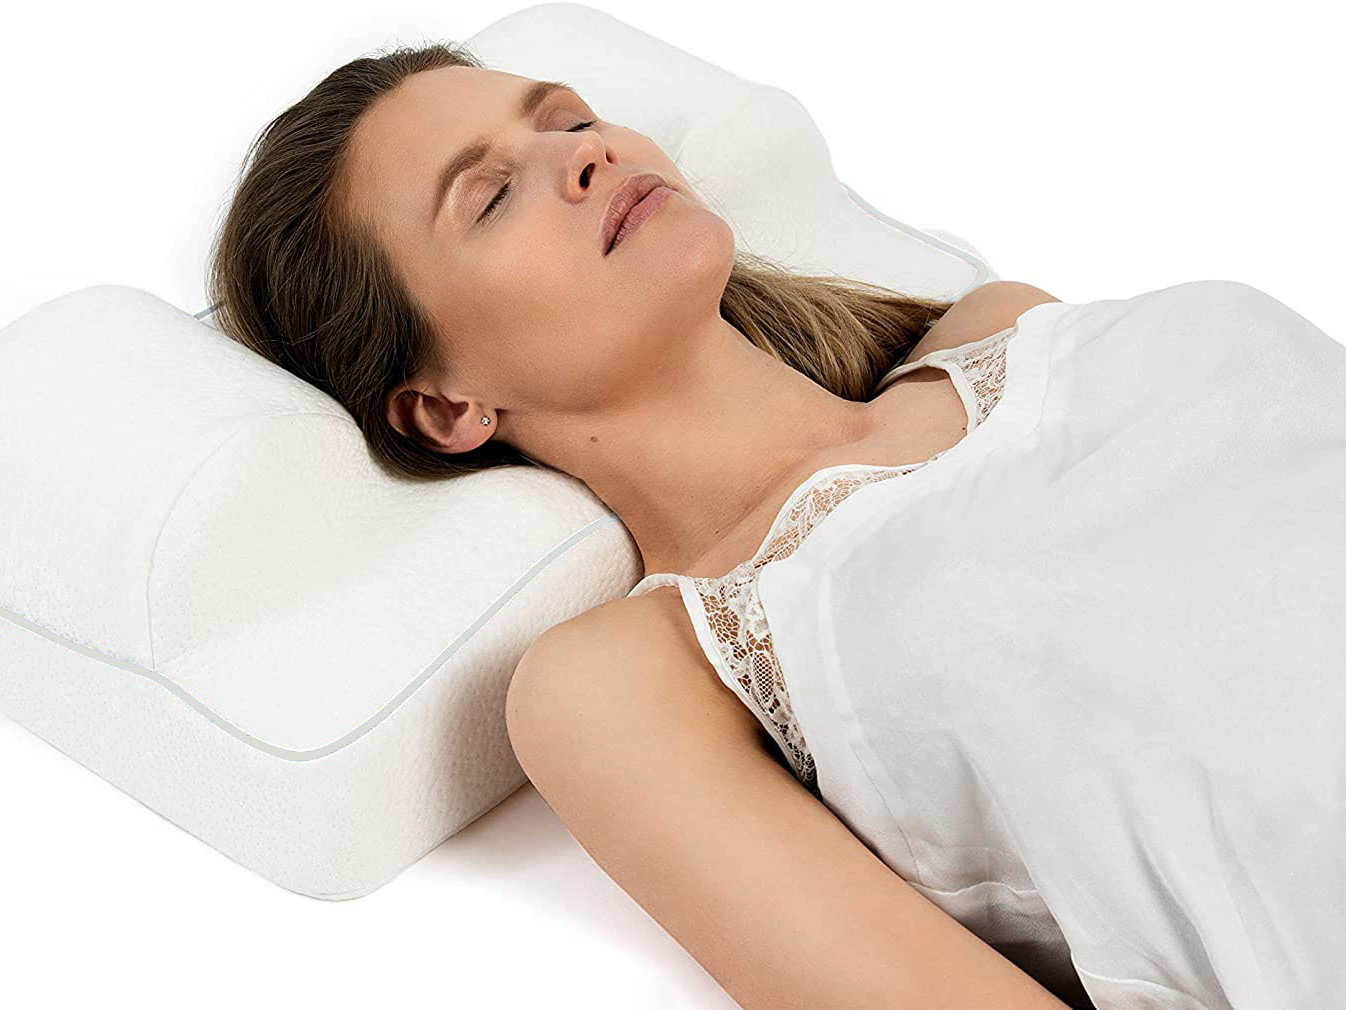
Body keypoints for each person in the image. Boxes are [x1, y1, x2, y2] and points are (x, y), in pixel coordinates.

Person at [207, 41, 1073, 1009]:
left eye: (572, 120)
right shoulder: (626, 682)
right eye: (490, 196)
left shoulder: (1009, 327)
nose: (587, 153)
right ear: (448, 407)